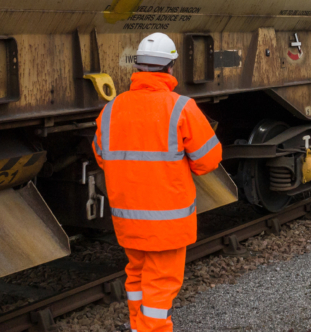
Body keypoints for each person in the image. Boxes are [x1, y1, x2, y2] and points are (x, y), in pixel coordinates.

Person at [92, 33, 222, 332]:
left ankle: (138, 327)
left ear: (137, 68)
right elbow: (208, 160)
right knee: (160, 285)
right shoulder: (181, 107)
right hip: (168, 222)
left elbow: (102, 156)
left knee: (136, 276)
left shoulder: (111, 109)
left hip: (128, 219)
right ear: (170, 69)